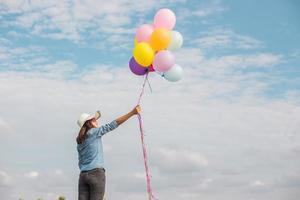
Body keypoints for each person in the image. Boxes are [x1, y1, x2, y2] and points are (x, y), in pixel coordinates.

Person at [76, 105, 141, 200]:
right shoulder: (94, 132)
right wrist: (132, 112)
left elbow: (80, 162)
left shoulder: (79, 141)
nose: (96, 120)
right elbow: (113, 124)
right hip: (96, 174)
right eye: (93, 119)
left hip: (83, 176)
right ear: (88, 123)